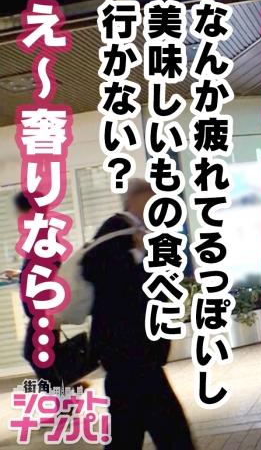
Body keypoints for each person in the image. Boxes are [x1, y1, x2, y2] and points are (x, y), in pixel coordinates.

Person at [82, 179, 194, 449]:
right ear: (137, 200)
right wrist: (140, 255)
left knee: (130, 433)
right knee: (169, 430)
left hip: (133, 355)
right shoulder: (115, 229)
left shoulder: (132, 230)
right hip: (129, 353)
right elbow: (98, 272)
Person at [10, 191, 64, 389]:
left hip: (43, 310)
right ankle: (64, 398)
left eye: (19, 211)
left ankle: (63, 398)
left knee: (36, 355)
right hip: (42, 309)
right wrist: (20, 273)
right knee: (46, 358)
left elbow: (51, 269)